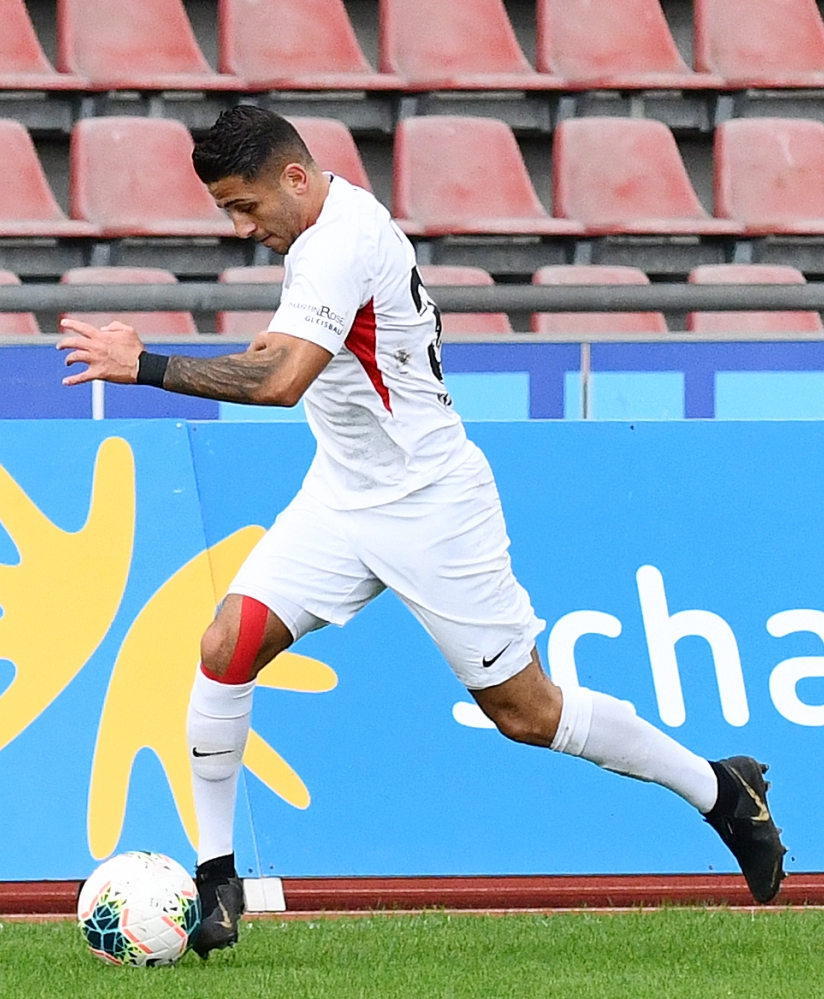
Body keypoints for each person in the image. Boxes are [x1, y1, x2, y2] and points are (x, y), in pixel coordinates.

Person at [59, 107, 785, 956]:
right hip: (340, 495)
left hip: (430, 504)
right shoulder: (318, 231)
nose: (240, 227)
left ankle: (720, 789)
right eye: (228, 210)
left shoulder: (339, 240)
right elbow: (302, 345)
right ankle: (218, 878)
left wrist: (145, 364)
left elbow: (283, 379)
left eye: (244, 206)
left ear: (295, 177)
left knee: (525, 711)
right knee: (227, 644)